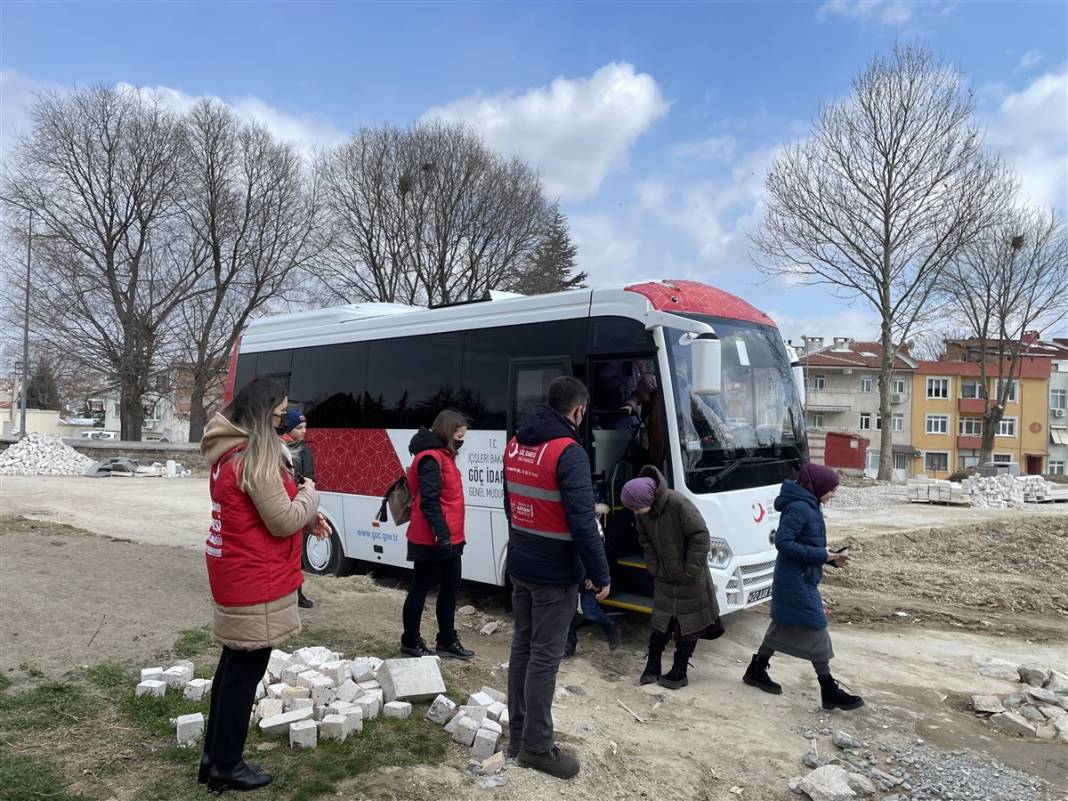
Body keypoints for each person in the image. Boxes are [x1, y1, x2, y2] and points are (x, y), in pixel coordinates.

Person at [199, 378, 330, 792]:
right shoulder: (254, 458)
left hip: (239, 571)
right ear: (260, 415)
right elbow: (281, 520)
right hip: (257, 576)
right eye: (278, 415)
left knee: (232, 666)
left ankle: (214, 756)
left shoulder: (230, 453)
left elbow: (267, 512)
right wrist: (311, 496)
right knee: (244, 672)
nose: (283, 421)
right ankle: (226, 764)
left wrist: (307, 517)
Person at [503, 376, 611, 780]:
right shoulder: (570, 452)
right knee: (545, 657)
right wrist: (600, 574)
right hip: (554, 572)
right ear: (578, 411)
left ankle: (518, 738)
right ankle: (537, 747)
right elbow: (584, 522)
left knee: (523, 650)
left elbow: (509, 504)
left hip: (522, 562)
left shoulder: (515, 444)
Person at [742, 463, 863, 711]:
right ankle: (828, 689)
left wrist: (831, 559)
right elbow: (783, 544)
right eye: (832, 489)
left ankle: (756, 669)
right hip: (794, 579)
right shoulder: (799, 507)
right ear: (817, 486)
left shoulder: (810, 505)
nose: (834, 494)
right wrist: (823, 555)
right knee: (816, 625)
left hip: (800, 576)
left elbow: (807, 545)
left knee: (782, 624)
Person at [621, 467, 722, 690]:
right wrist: (654, 566)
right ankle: (653, 663)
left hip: (691, 578)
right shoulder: (643, 512)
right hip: (663, 575)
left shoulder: (679, 504)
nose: (637, 513)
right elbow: (645, 540)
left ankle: (680, 669)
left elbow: (701, 536)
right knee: (661, 621)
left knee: (688, 624)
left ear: (648, 497)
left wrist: (690, 570)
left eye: (638, 507)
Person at [400, 410, 475, 661]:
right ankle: (410, 641)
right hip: (431, 539)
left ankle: (446, 640)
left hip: (451, 538)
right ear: (446, 432)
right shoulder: (431, 458)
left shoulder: (444, 456)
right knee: (419, 590)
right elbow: (429, 501)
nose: (461, 440)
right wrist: (442, 536)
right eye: (459, 435)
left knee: (451, 589)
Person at [279, 410, 316, 609]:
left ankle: (297, 592)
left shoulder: (304, 450)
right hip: (282, 505)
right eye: (298, 427)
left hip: (298, 505)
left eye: (304, 427)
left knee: (296, 552)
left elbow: (310, 478)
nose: (303, 431)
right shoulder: (278, 447)